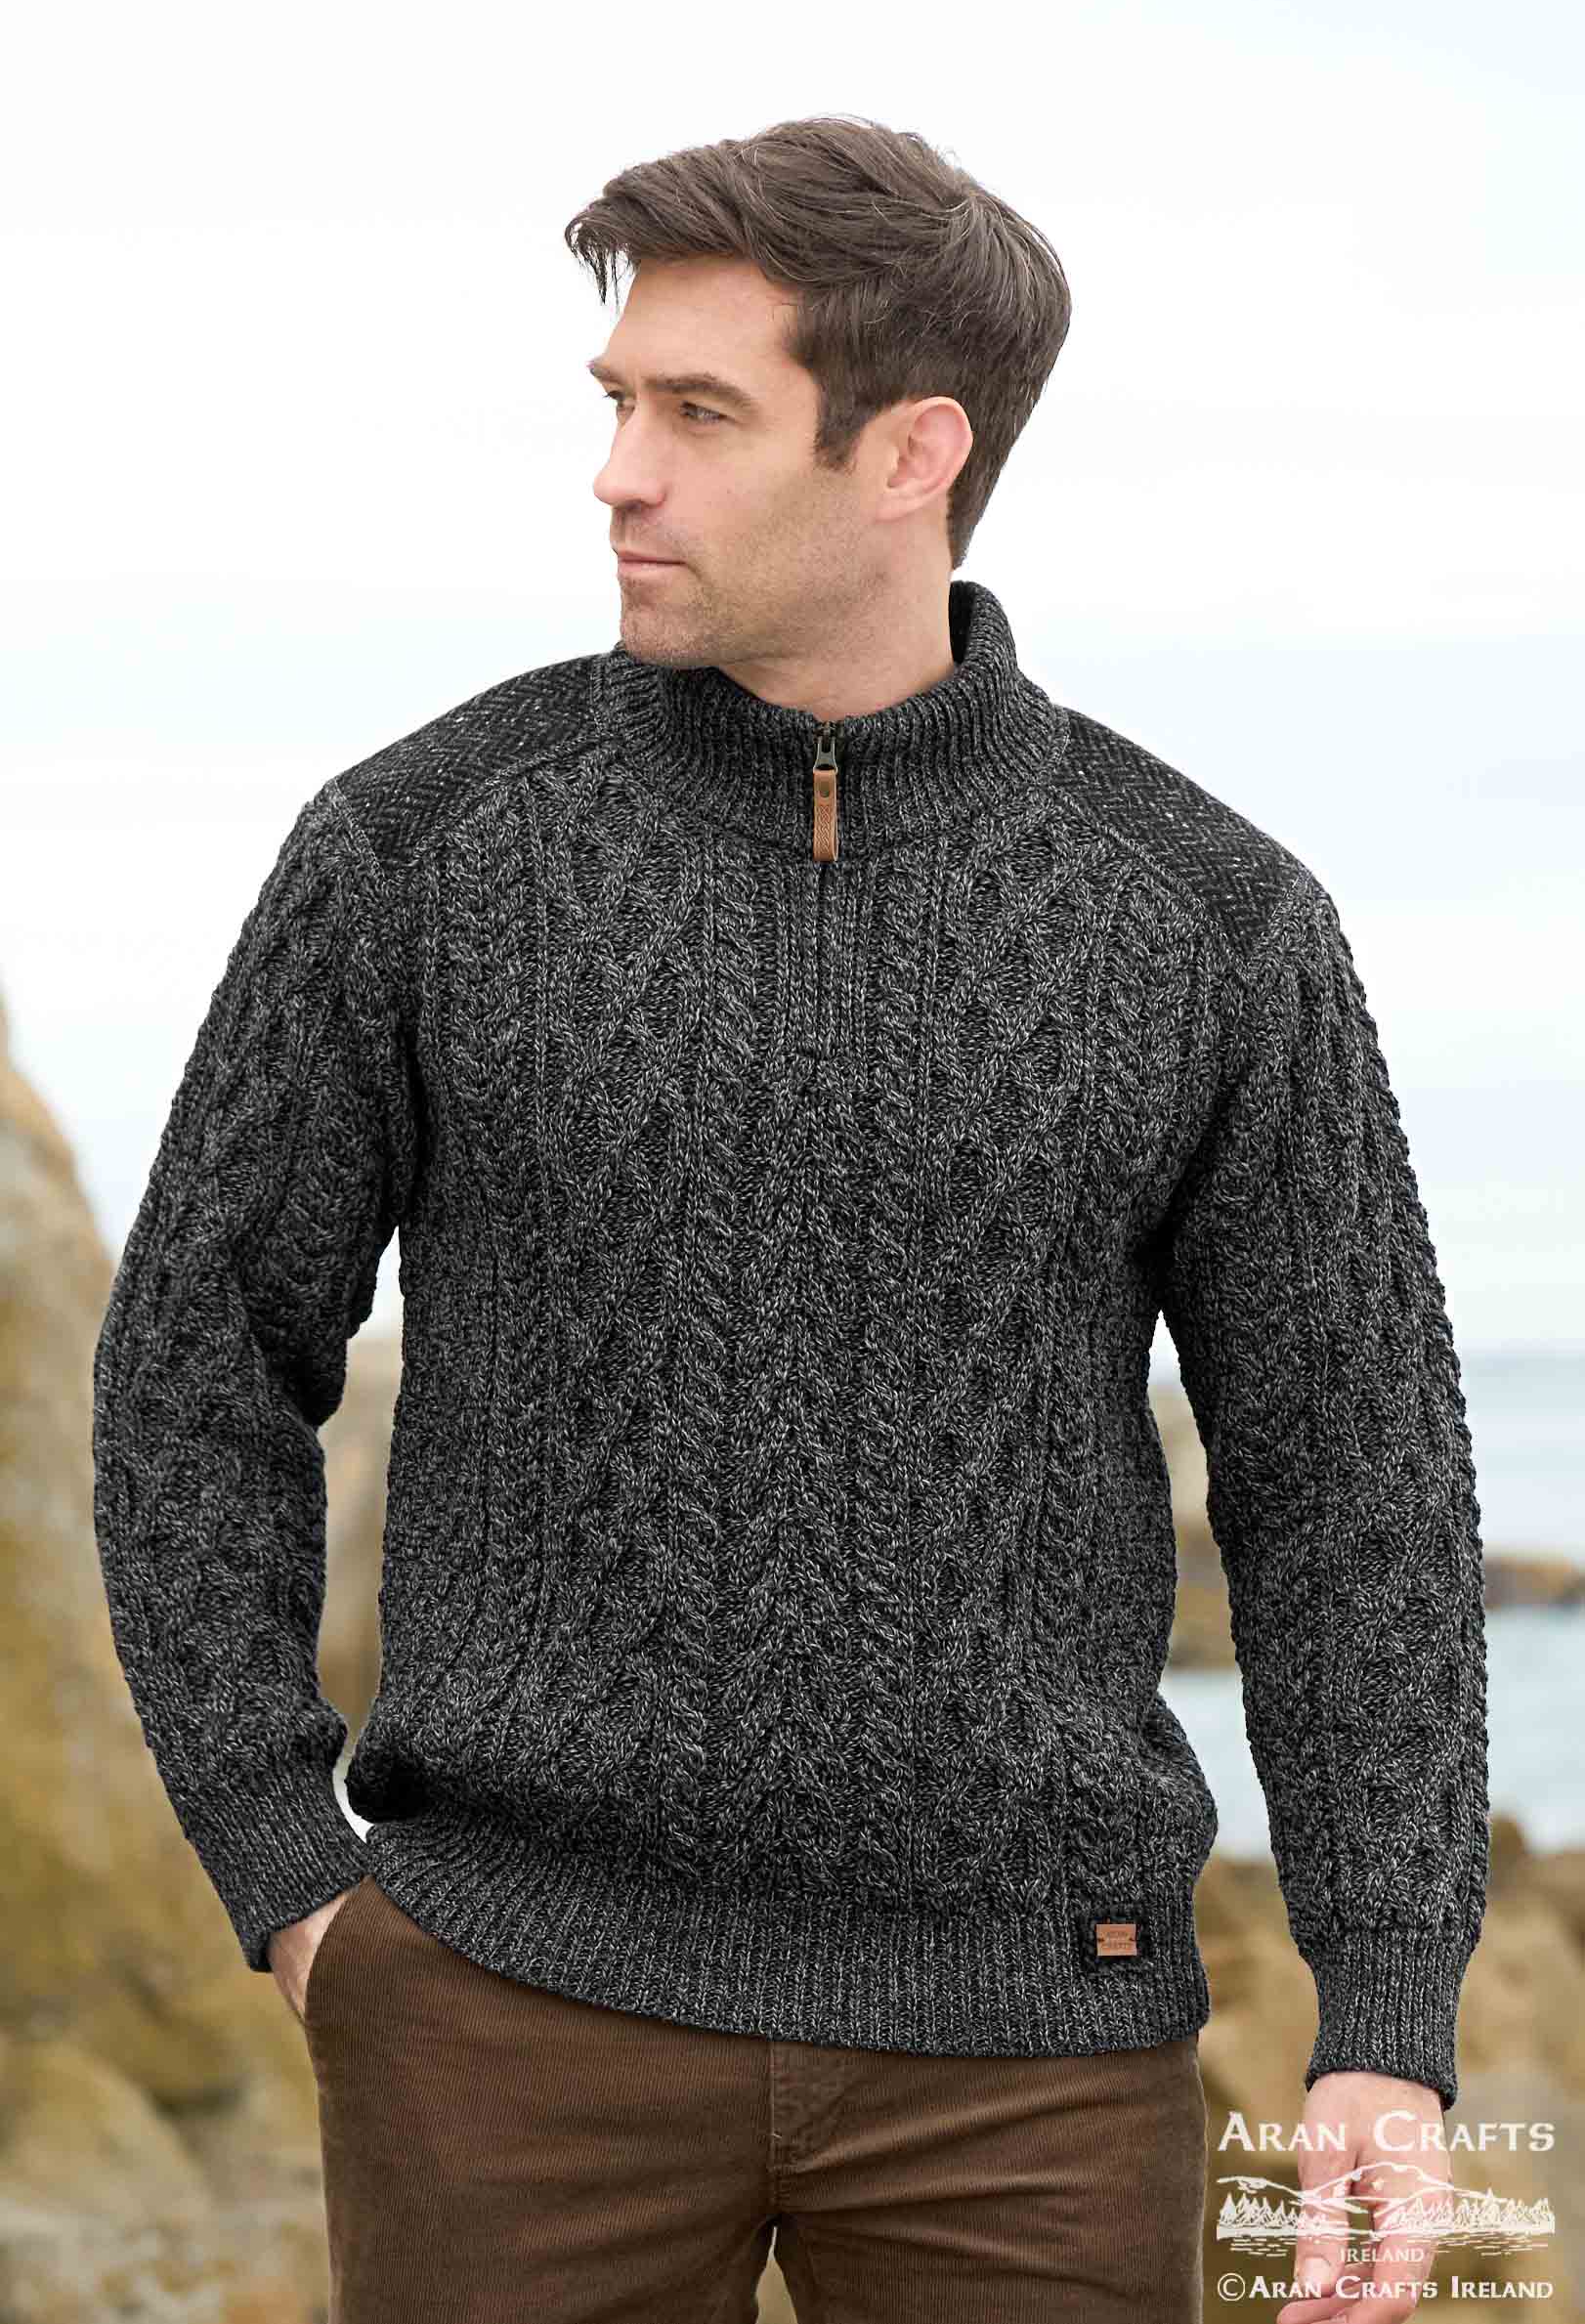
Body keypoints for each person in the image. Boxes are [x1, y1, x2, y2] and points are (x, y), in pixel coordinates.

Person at [91, 113, 1489, 2324]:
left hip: (1034, 2059)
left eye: (698, 413)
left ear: (912, 450)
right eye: (616, 402)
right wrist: (288, 1869)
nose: (616, 474)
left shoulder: (1207, 920)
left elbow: (1357, 1484)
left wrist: (1385, 2017)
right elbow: (193, 1361)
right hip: (506, 2023)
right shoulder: (422, 850)